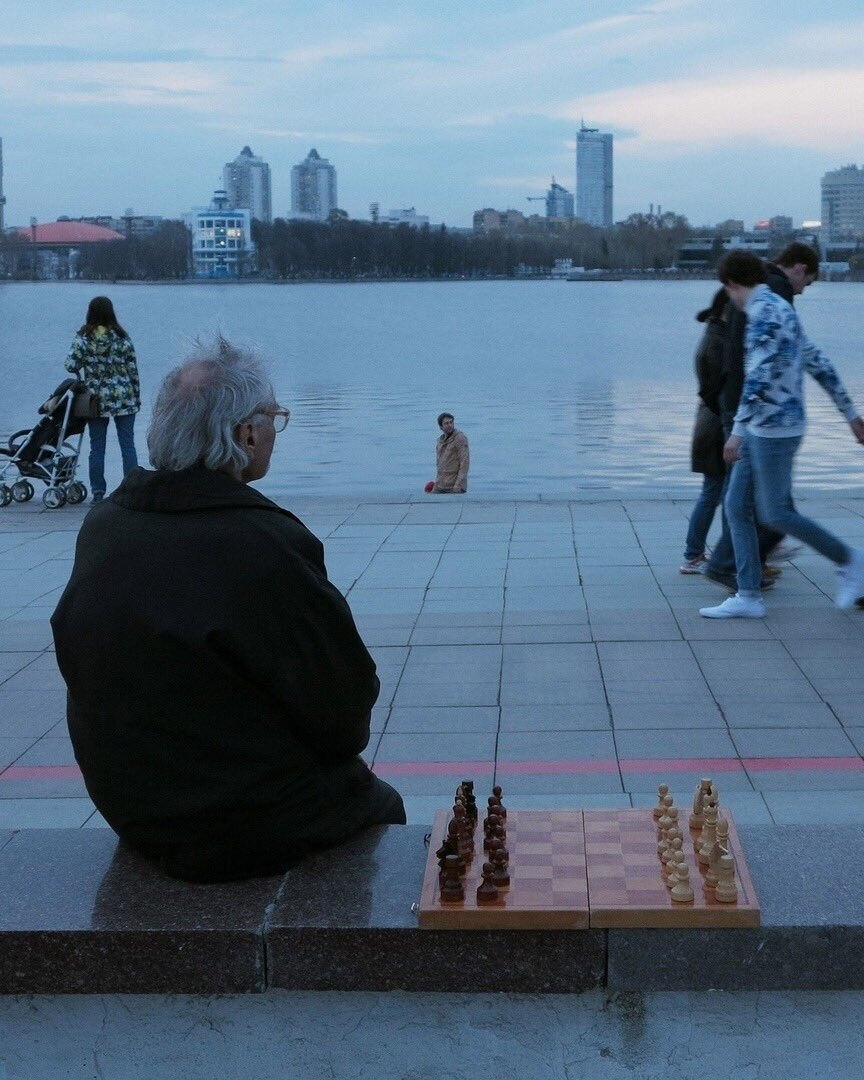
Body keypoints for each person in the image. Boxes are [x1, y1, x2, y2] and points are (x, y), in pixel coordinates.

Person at [51, 339, 405, 882]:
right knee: (381, 808)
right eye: (274, 419)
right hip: (237, 824)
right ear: (245, 434)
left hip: (130, 805)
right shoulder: (263, 544)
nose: (274, 433)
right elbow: (343, 713)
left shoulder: (105, 525)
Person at [700, 251, 864, 619]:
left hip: (773, 431)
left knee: (776, 512)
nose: (730, 298)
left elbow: (757, 379)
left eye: (728, 290)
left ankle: (852, 560)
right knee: (736, 507)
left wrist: (736, 433)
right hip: (770, 427)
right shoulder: (780, 307)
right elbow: (816, 359)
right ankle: (748, 595)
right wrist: (849, 412)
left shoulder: (762, 315)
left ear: (731, 285)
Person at [704, 243, 820, 590]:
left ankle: (744, 574)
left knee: (745, 499)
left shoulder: (759, 296)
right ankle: (739, 568)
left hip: (749, 409)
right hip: (758, 413)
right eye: (808, 281)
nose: (803, 289)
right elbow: (762, 367)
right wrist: (741, 426)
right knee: (768, 505)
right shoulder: (776, 294)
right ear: (798, 268)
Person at [65, 296, 140, 503]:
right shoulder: (122, 337)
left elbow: (70, 365)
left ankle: (98, 492)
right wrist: (136, 396)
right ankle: (132, 490)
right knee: (128, 445)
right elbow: (133, 370)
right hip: (124, 397)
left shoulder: (84, 339)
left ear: (90, 313)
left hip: (95, 399)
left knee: (97, 446)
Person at [680, 288, 727, 574]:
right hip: (715, 425)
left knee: (714, 492)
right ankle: (694, 554)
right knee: (714, 492)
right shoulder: (717, 342)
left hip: (710, 423)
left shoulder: (715, 337)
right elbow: (718, 387)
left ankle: (696, 553)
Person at [433, 412, 469, 493]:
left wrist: (458, 485)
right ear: (441, 427)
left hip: (454, 485)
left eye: (451, 422)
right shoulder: (440, 441)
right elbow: (439, 465)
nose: (449, 425)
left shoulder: (460, 438)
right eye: (446, 423)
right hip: (441, 485)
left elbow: (464, 463)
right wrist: (435, 486)